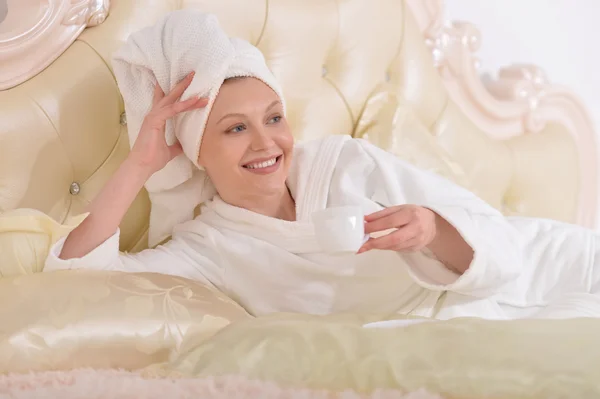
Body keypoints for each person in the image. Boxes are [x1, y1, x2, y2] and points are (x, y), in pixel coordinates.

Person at [44, 10, 600, 320]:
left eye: (274, 117)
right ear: (196, 151)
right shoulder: (207, 249)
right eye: (235, 128)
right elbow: (77, 282)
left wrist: (431, 229)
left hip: (533, 265)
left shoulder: (340, 161)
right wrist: (139, 164)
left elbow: (489, 232)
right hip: (454, 329)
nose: (267, 143)